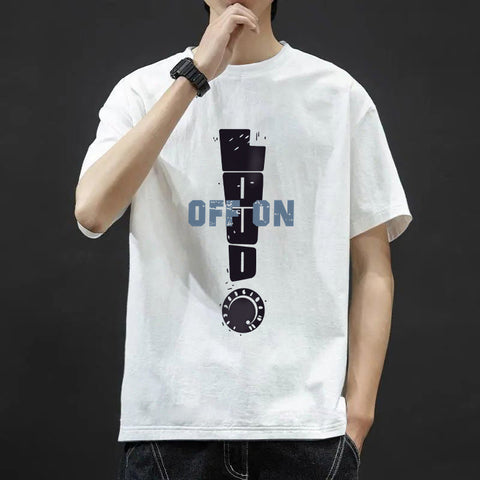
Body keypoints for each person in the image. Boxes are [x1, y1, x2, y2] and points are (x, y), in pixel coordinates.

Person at [74, 1, 413, 478]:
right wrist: (193, 77)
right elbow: (92, 212)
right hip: (172, 433)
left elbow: (374, 268)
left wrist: (358, 415)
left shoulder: (338, 96)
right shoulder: (142, 90)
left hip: (306, 434)